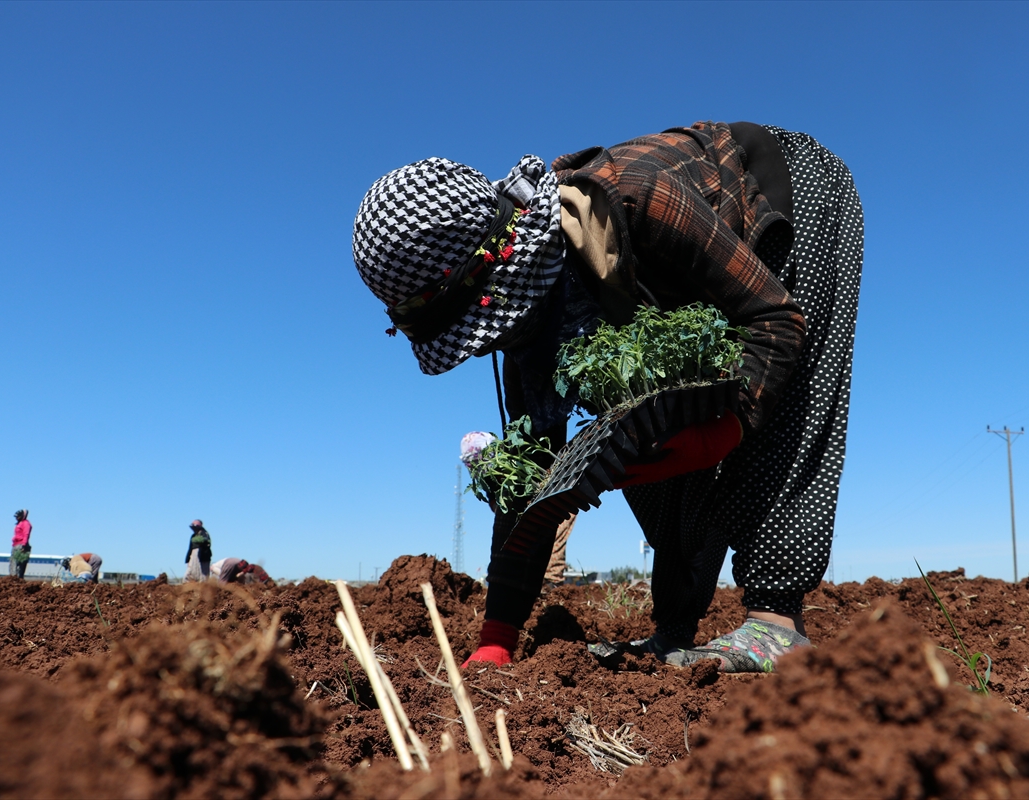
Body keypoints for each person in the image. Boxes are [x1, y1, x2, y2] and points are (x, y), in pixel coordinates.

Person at [353, 122, 862, 673]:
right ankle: (674, 629)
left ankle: (777, 621)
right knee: (634, 435)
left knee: (786, 394)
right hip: (675, 276)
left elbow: (775, 320)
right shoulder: (525, 325)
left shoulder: (637, 198)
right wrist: (499, 632)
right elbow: (534, 481)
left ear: (501, 271)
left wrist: (725, 428)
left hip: (790, 195)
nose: (483, 349)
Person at [460, 431, 573, 585]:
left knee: (556, 530)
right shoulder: (487, 478)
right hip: (520, 513)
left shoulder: (515, 457)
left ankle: (550, 583)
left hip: (552, 497)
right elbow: (494, 503)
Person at [10, 509, 32, 579]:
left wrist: (24, 545)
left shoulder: (26, 523)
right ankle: (13, 578)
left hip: (21, 545)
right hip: (15, 545)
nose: (16, 518)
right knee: (13, 564)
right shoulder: (18, 523)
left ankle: (18, 578)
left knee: (20, 565)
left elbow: (26, 534)